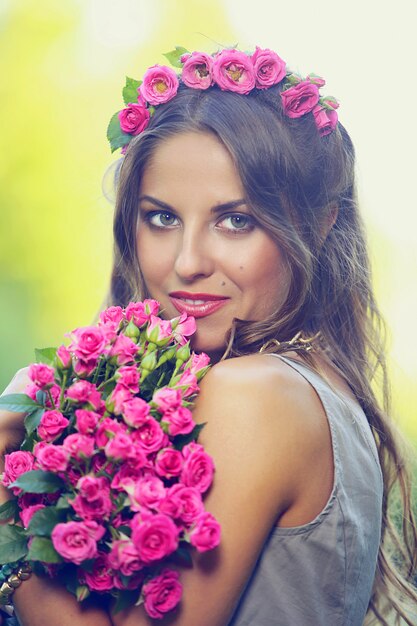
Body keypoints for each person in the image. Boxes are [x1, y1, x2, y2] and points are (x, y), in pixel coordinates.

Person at [1, 46, 416, 626]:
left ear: (319, 224)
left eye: (235, 220)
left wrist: (6, 511)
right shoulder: (311, 387)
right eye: (162, 217)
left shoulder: (258, 394)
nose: (188, 262)